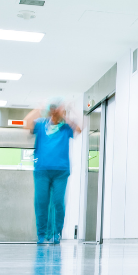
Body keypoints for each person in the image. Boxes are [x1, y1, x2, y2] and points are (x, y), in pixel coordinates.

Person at [23, 98, 82, 244]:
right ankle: (42, 235)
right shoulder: (41, 124)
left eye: (58, 109)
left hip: (60, 171)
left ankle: (57, 233)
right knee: (41, 202)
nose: (55, 112)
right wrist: (39, 108)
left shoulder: (66, 127)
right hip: (42, 170)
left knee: (58, 202)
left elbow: (79, 129)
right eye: (53, 109)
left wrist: (66, 112)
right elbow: (26, 123)